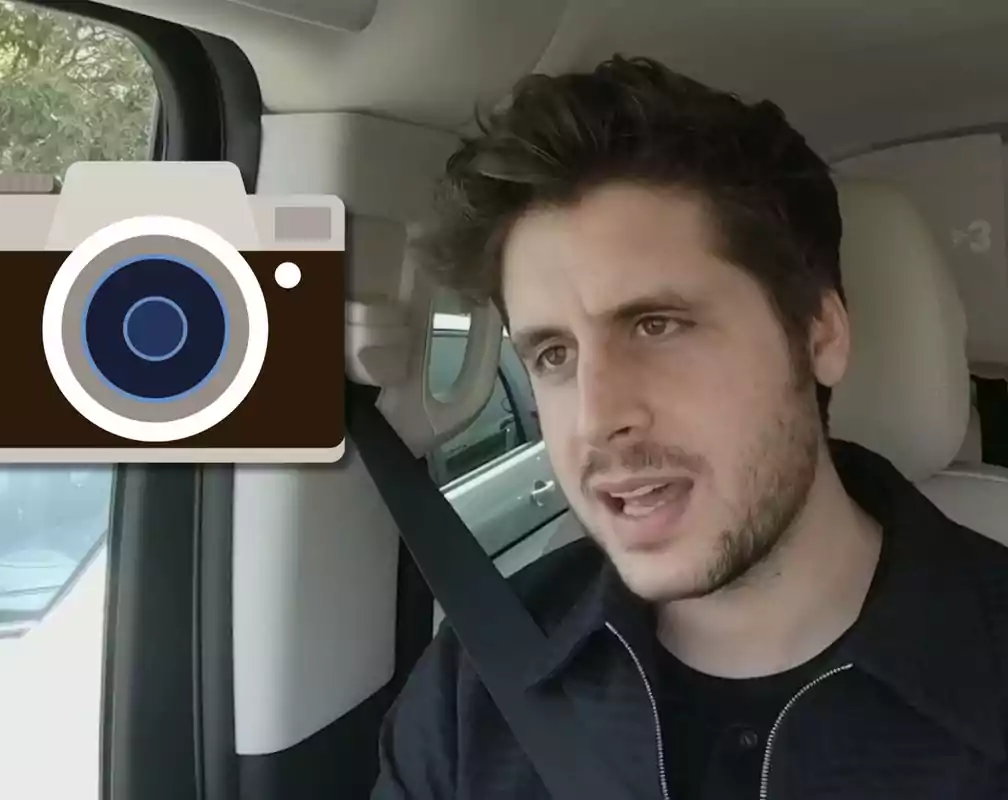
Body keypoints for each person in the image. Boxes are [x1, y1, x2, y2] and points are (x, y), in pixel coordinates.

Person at [370, 55, 1008, 800]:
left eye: (656, 324)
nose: (599, 417)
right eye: (552, 354)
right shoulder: (475, 686)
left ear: (820, 335)